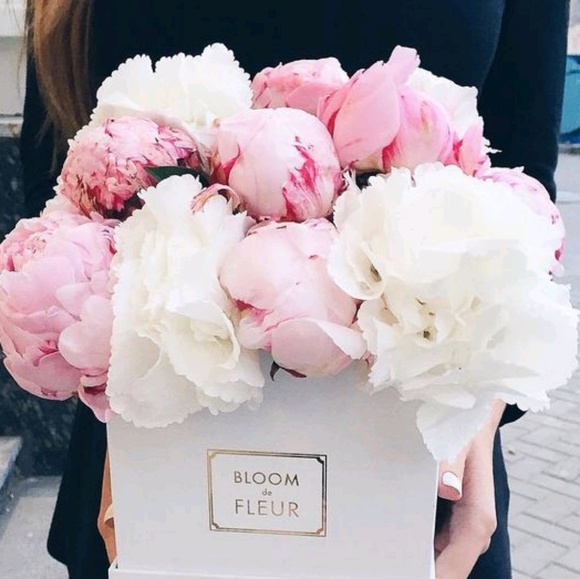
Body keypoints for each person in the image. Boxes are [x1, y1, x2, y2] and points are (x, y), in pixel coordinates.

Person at [20, 1, 569, 578]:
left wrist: (480, 414)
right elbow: (53, 174)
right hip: (149, 484)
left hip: (417, 490)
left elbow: (525, 190)